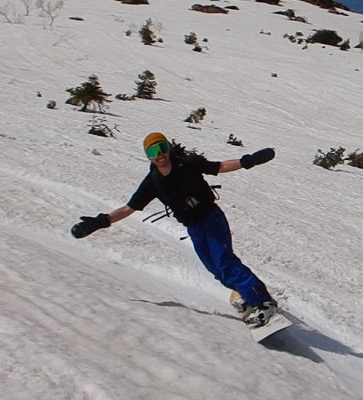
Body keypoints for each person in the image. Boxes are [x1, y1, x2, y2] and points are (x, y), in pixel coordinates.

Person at [70, 131, 279, 327]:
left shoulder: (186, 164)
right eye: (152, 152)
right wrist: (100, 222)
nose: (159, 155)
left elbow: (220, 167)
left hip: (211, 217)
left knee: (224, 261)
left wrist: (248, 161)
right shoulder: (153, 182)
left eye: (161, 148)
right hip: (194, 227)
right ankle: (246, 294)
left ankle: (263, 303)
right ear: (147, 156)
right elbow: (129, 208)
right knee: (215, 269)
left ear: (168, 147)